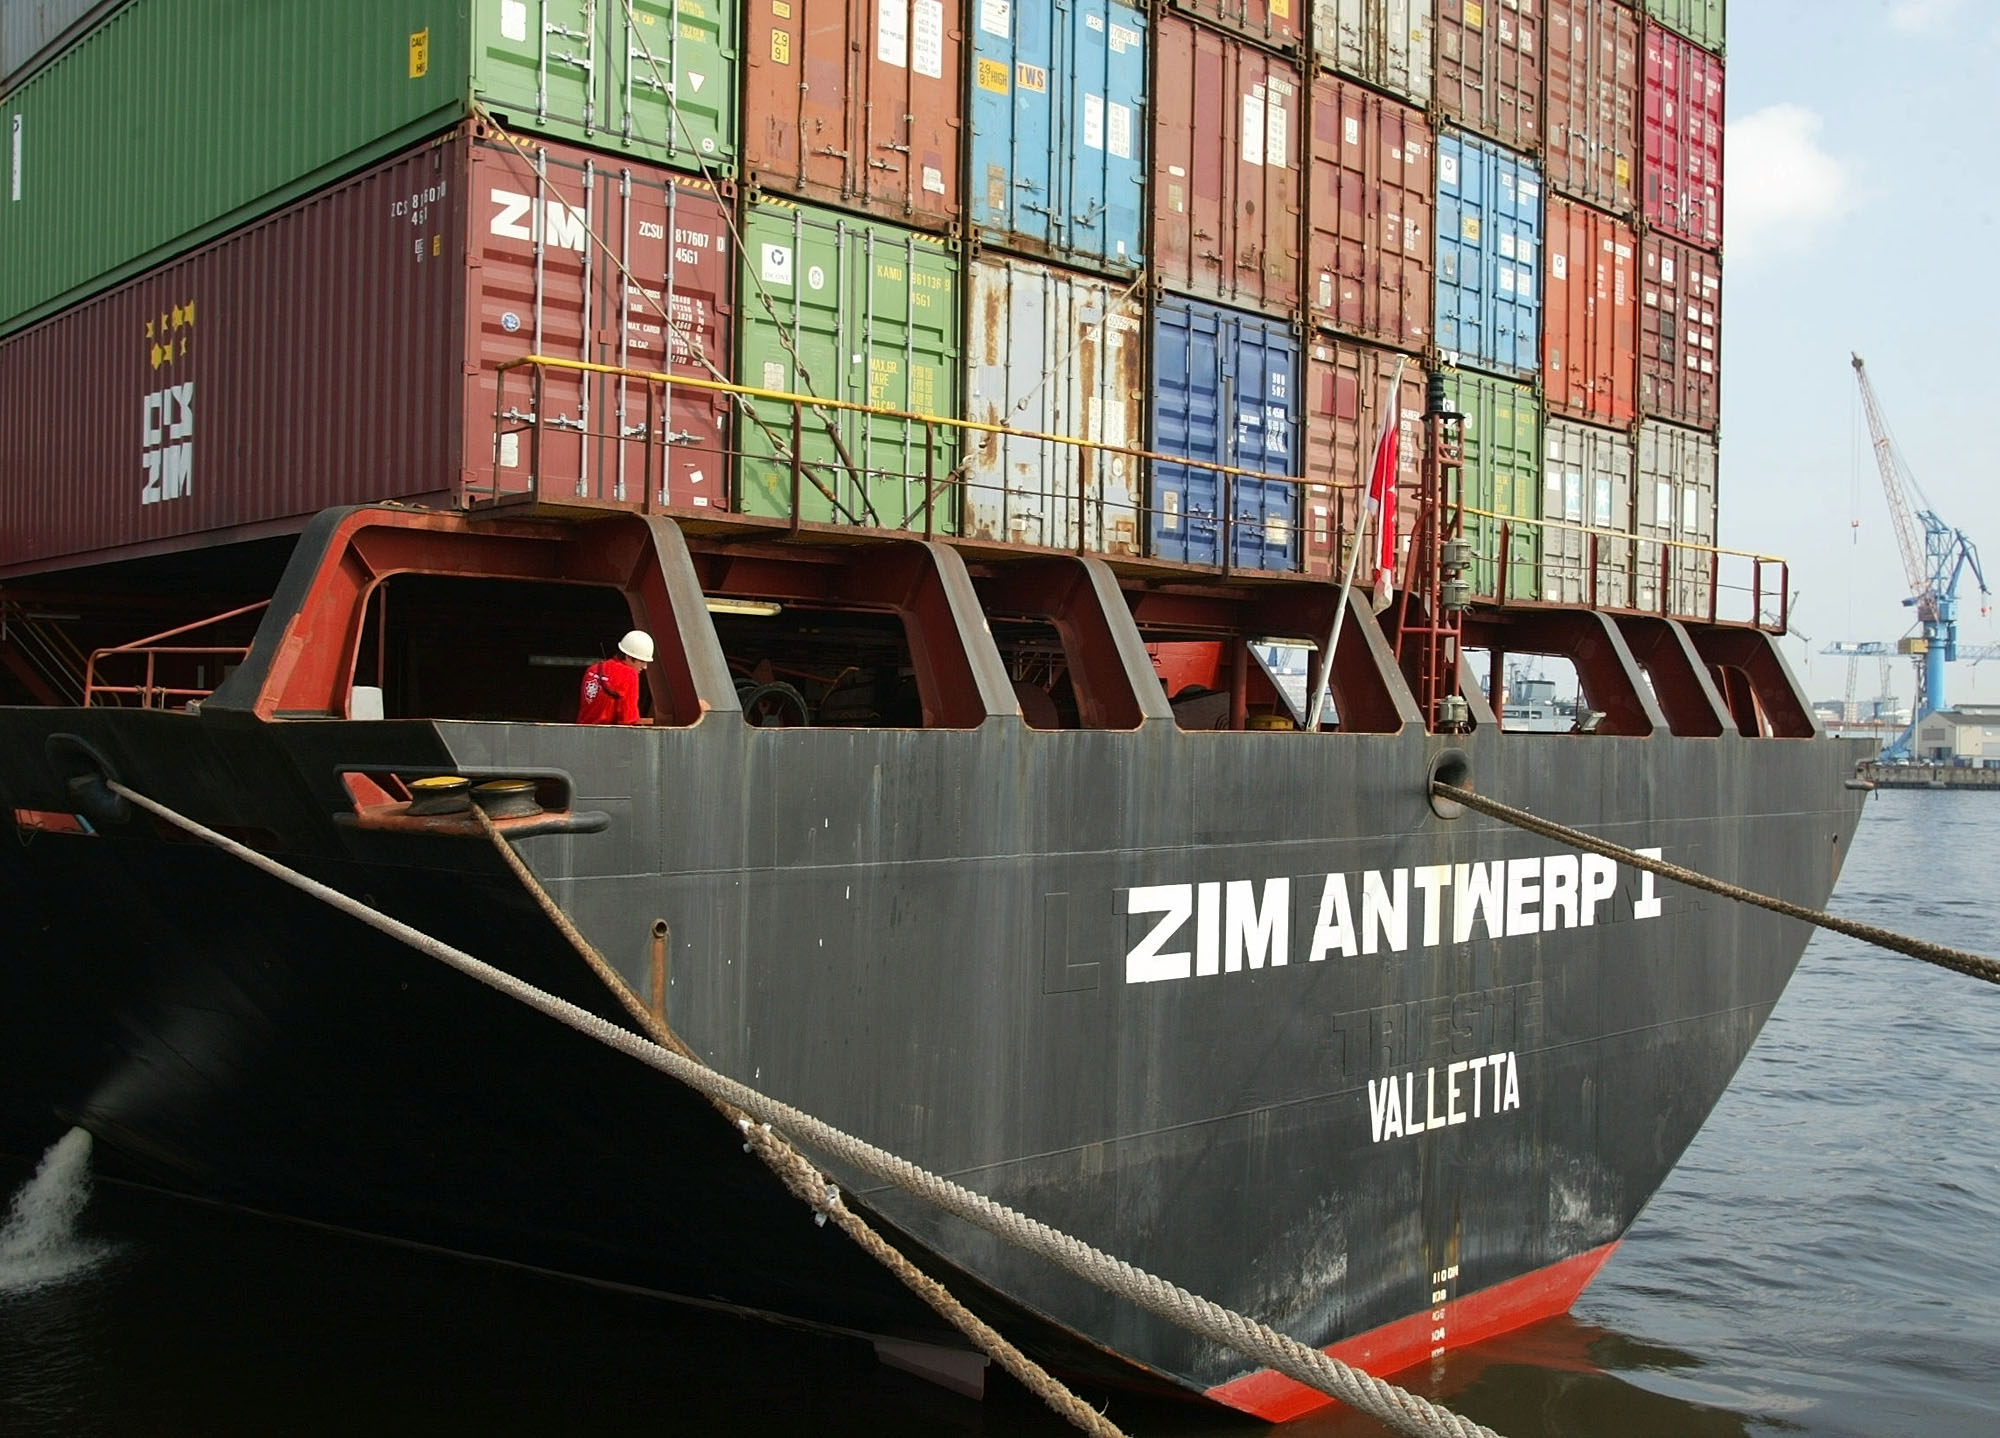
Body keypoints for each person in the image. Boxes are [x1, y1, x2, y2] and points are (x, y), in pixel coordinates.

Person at [578, 629, 654, 725]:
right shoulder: (629, 674)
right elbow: (628, 719)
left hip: (582, 733)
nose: (645, 666)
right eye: (642, 661)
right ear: (628, 657)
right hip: (607, 737)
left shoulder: (592, 670)